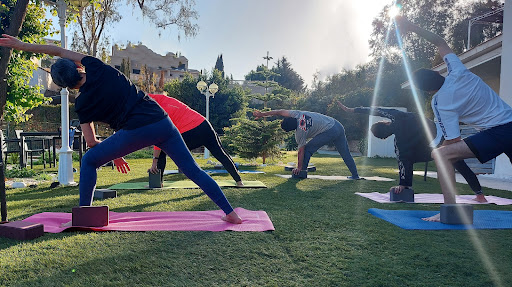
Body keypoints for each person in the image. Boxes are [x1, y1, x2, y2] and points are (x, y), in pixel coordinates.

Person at [0, 34, 242, 224]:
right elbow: (59, 51)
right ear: (78, 67)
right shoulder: (97, 66)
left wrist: (115, 154)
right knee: (193, 170)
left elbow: (92, 141)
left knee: (89, 161)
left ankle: (85, 214)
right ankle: (230, 213)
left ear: (66, 86)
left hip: (136, 130)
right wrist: (22, 45)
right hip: (162, 120)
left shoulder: (82, 104)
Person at [395, 16, 512, 222]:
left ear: (428, 90)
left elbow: (453, 140)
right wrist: (412, 27)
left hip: (499, 132)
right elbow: (440, 42)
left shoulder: (440, 101)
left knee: (441, 155)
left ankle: (449, 210)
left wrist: (438, 157)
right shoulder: (458, 71)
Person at [337, 101, 487, 202]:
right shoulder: (397, 115)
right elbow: (377, 110)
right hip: (443, 133)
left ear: (385, 137)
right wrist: (354, 110)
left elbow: (404, 163)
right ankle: (479, 195)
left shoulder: (400, 144)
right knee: (459, 163)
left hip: (434, 147)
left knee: (414, 157)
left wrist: (404, 184)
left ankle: (479, 196)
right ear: (385, 122)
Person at [147, 93, 243, 187]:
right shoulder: (162, 99)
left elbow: (160, 136)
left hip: (192, 130)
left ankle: (157, 182)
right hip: (205, 125)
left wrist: (155, 162)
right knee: (220, 153)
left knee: (163, 148)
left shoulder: (157, 108)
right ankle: (239, 182)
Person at [253, 109, 360, 179]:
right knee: (345, 153)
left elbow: (301, 151)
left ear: (291, 130)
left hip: (329, 130)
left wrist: (299, 167)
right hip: (337, 125)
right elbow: (279, 112)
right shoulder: (295, 114)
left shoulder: (300, 132)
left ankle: (301, 173)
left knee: (308, 149)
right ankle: (355, 175)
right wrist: (262, 114)